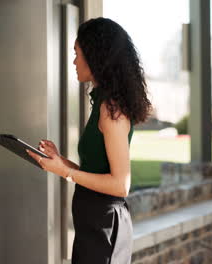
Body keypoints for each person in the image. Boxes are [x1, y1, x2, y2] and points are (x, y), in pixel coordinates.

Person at [27, 17, 152, 263]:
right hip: (93, 225)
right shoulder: (103, 103)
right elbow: (95, 172)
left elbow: (119, 185)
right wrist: (60, 162)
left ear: (95, 56)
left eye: (77, 53)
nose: (73, 61)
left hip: (105, 229)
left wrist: (65, 172)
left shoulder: (111, 109)